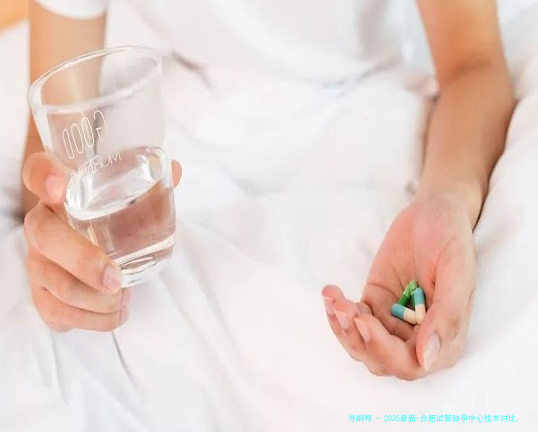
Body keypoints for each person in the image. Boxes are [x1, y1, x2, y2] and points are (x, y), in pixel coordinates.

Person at [21, 0, 515, 380]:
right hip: (186, 134)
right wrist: (65, 256)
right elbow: (55, 134)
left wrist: (446, 200)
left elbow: (472, 61)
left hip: (372, 118)